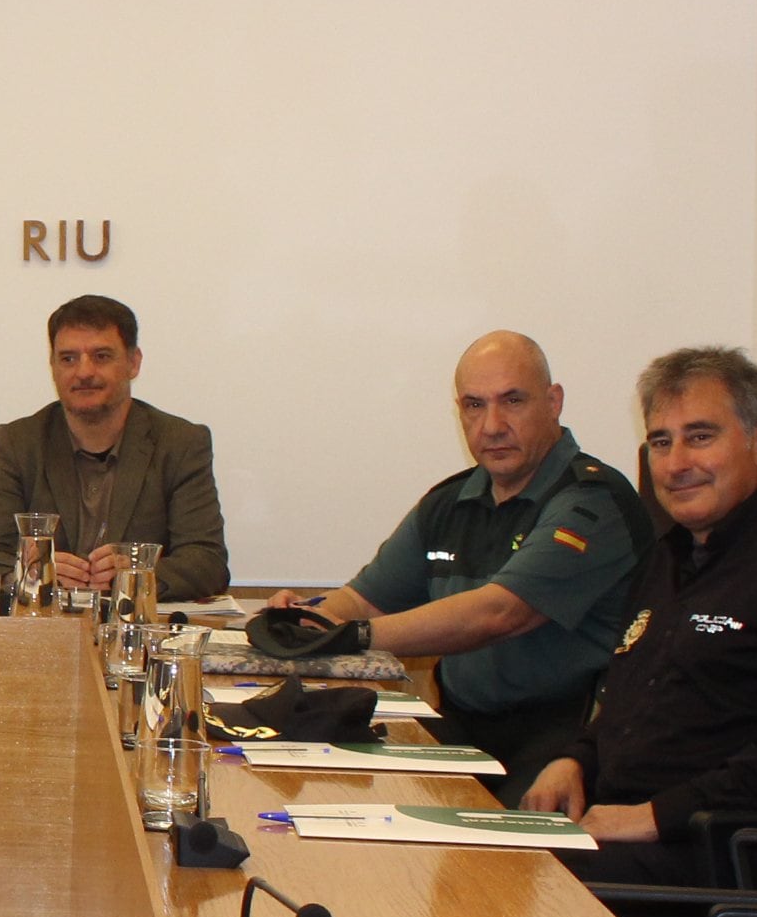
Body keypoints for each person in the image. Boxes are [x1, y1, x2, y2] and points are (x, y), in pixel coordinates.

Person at [271, 330, 648, 798]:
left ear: (554, 402)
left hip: (563, 744)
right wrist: (307, 616)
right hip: (461, 730)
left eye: (512, 400)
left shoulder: (593, 502)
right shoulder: (451, 501)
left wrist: (349, 636)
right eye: (474, 405)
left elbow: (499, 614)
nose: (491, 425)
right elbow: (363, 600)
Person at [523, 348, 757, 886]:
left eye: (700, 437)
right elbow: (632, 702)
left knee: (508, 888)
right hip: (619, 823)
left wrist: (656, 817)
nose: (675, 465)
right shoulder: (670, 555)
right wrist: (576, 759)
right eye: (660, 442)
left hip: (713, 847)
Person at [0, 296, 229, 600]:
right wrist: (27, 571)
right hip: (45, 633)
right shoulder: (19, 442)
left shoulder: (180, 443)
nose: (84, 372)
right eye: (68, 359)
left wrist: (138, 574)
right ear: (52, 366)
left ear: (133, 363)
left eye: (101, 356)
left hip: (137, 635)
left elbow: (209, 563)